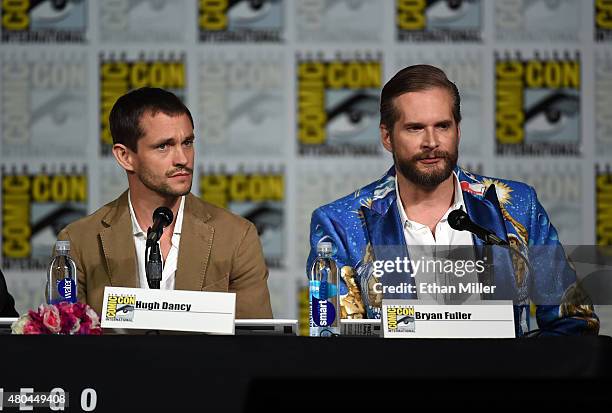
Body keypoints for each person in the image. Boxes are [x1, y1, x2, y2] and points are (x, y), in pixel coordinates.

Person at [307, 65, 598, 336]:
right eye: (415, 128)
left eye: (443, 126)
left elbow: (574, 322)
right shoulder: (341, 223)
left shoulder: (516, 207)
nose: (431, 142)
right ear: (387, 137)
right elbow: (334, 342)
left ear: (458, 130)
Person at [57, 87, 272, 318]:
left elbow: (255, 342)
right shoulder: (78, 243)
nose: (182, 159)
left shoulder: (237, 237)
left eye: (187, 143)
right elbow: (67, 345)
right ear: (125, 156)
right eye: (163, 146)